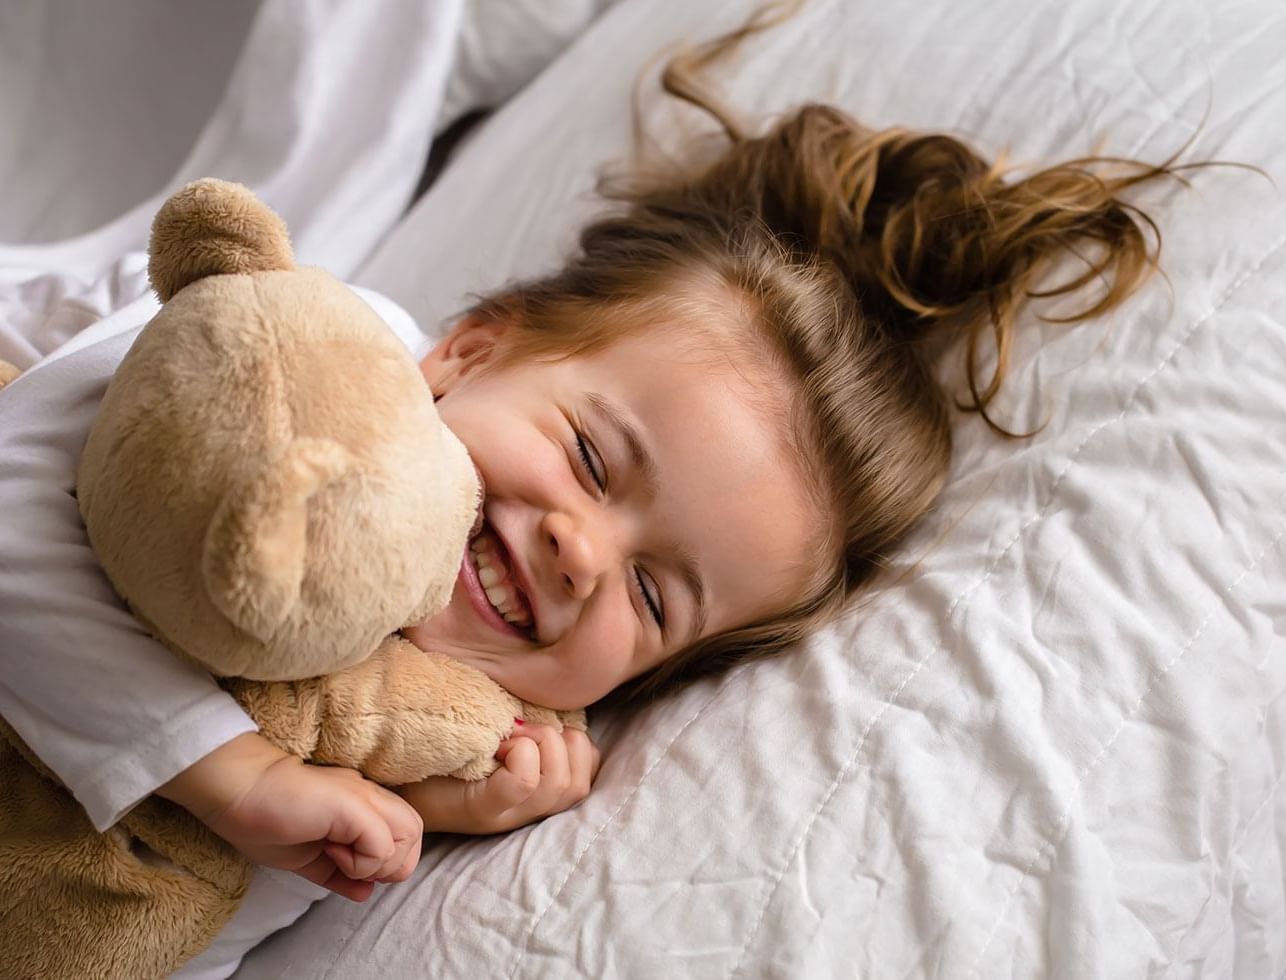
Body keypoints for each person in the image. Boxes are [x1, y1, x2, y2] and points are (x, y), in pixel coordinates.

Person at [0, 37, 1194, 980]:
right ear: (469, 352)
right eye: (588, 454)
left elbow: (147, 933)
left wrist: (389, 819)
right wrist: (225, 773)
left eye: (651, 591)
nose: (580, 550)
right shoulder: (316, 358)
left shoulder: (426, 717)